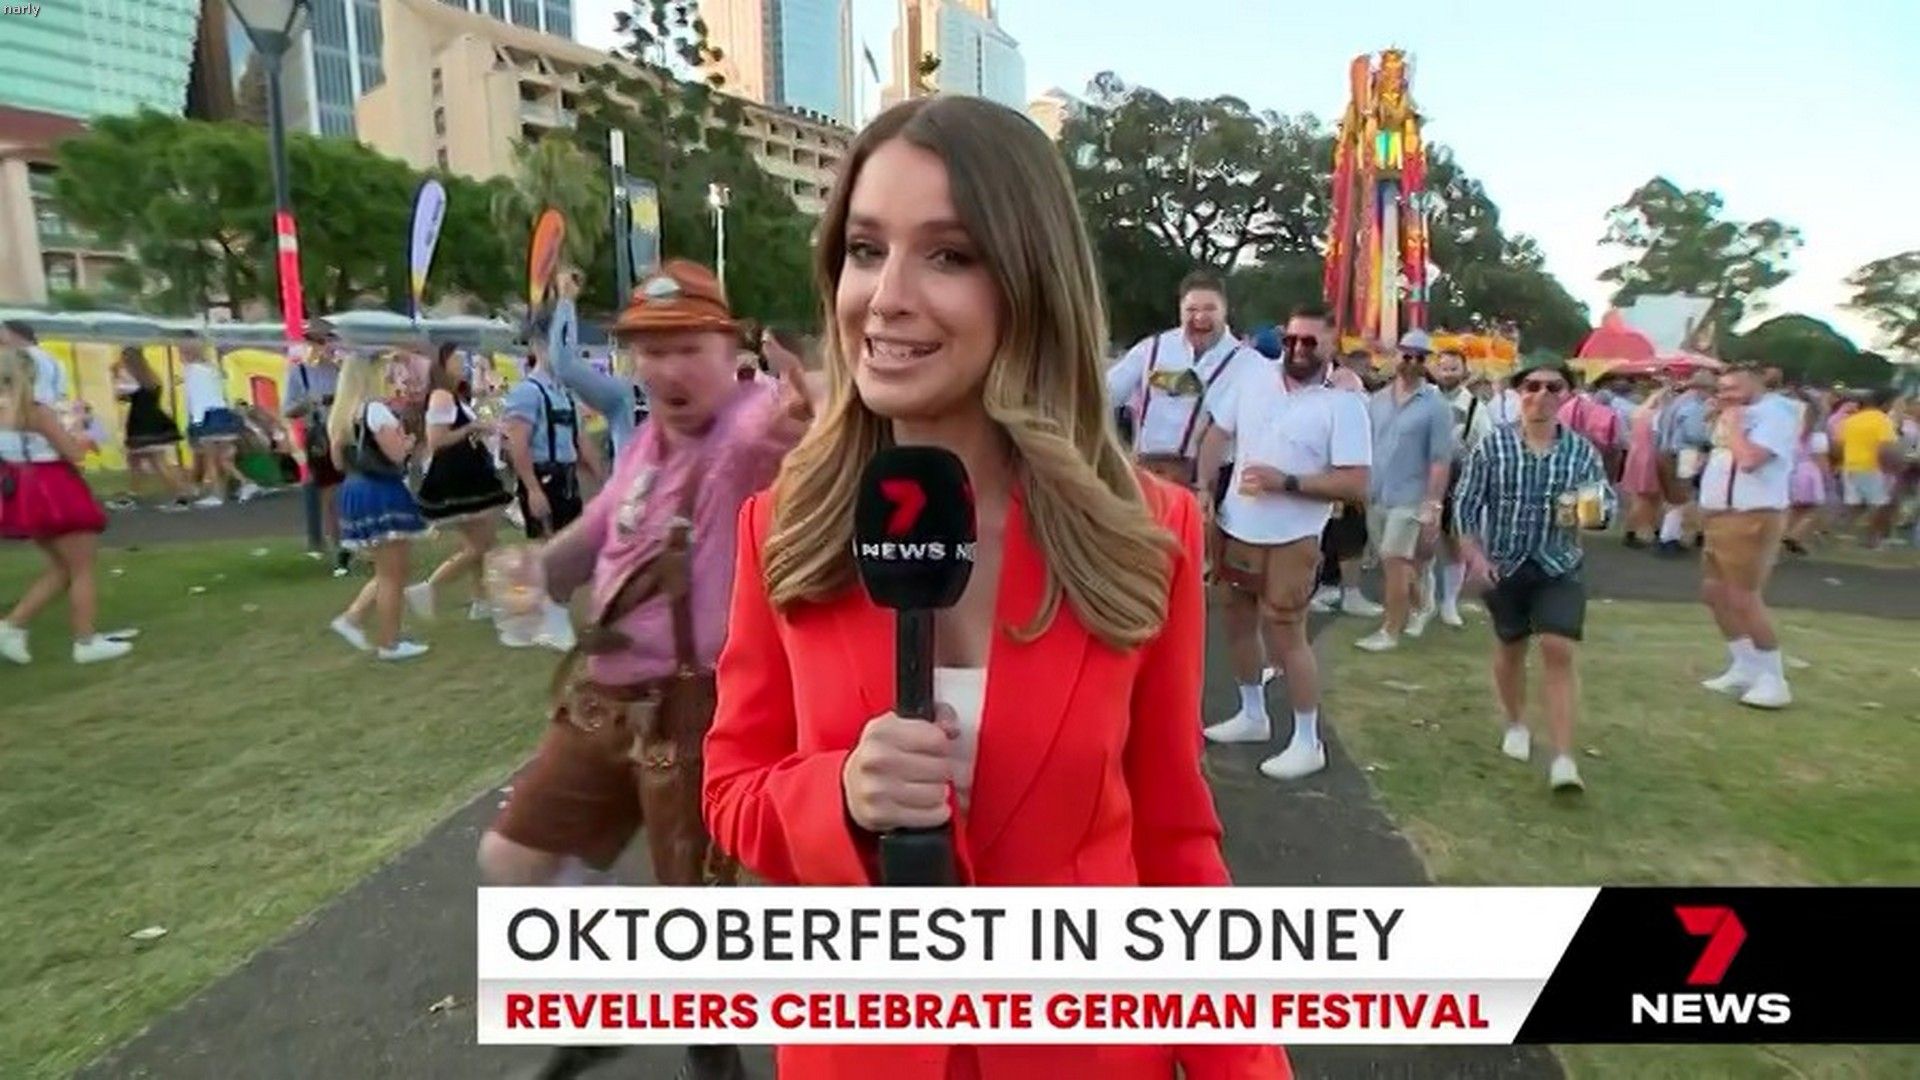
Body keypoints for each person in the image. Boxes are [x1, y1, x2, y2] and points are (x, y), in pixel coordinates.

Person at [702, 95, 1289, 1080]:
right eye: (864, 249)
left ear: (1030, 283)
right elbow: (731, 793)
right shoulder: (785, 526)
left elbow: (1175, 845)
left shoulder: (1148, 534)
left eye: (948, 255)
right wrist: (839, 796)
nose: (885, 297)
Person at [478, 259, 817, 1080]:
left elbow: (804, 433)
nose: (666, 370)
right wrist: (536, 574)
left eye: (687, 348)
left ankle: (713, 1054)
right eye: (651, 351)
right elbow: (602, 528)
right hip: (605, 700)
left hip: (694, 711)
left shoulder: (751, 430)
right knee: (512, 858)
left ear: (731, 348)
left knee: (695, 912)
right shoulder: (647, 440)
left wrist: (819, 411)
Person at [1196, 304, 1371, 781]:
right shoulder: (1253, 378)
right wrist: (1204, 488)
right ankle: (1252, 714)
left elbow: (1355, 484)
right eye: (1291, 339)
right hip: (1236, 525)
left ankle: (1308, 741)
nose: (1297, 349)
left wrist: (1285, 483)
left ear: (1332, 344)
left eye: (1310, 341)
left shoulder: (1344, 404)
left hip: (1293, 538)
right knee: (1235, 619)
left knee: (1286, 632)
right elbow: (1217, 433)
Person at [1452, 354, 1615, 792]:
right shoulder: (1493, 446)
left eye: (1553, 387)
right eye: (1532, 386)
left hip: (1559, 563)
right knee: (1510, 647)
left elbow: (1602, 506)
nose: (1542, 395)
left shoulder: (1581, 451)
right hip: (1505, 564)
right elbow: (1465, 504)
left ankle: (1563, 759)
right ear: (1518, 392)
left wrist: (1591, 512)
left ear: (1567, 395)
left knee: (1558, 648)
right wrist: (1474, 556)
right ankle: (1516, 722)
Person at [0, 347, 133, 665]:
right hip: (53, 484)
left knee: (62, 567)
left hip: (22, 486)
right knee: (82, 568)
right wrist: (81, 435)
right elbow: (73, 452)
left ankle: (12, 627)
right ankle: (84, 641)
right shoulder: (35, 411)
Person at [1695, 364, 1799, 709]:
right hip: (1720, 515)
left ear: (1756, 384)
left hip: (1752, 515)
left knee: (1743, 597)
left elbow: (1750, 460)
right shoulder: (1736, 413)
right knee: (1714, 593)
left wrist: (1735, 424)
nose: (1725, 395)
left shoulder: (1775, 414)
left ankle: (1773, 678)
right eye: (1721, 389)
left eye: (1733, 389)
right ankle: (1745, 665)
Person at [1105, 270, 1262, 488]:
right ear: (1180, 311)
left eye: (1210, 309)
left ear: (1225, 311)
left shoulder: (1249, 363)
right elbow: (1107, 392)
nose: (1200, 317)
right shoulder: (1153, 348)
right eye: (1192, 309)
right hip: (1147, 472)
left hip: (1208, 480)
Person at [325, 354, 430, 660]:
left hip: (355, 488)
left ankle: (354, 619)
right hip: (380, 489)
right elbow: (397, 455)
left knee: (389, 570)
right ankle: (389, 642)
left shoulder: (341, 414)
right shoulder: (374, 410)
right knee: (393, 574)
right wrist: (407, 442)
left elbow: (337, 462)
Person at [1354, 329, 1452, 652]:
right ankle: (1422, 605)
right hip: (1377, 494)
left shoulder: (1436, 405)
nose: (1411, 362)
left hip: (1411, 497)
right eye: (1406, 355)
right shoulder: (1377, 400)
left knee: (1395, 563)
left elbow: (1440, 460)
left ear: (1426, 362)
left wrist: (1432, 504)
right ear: (1396, 355)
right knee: (1394, 562)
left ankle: (1389, 631)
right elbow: (1367, 447)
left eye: (1418, 357)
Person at [409, 342, 513, 623]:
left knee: (481, 542)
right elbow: (437, 440)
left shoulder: (453, 395)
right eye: (456, 360)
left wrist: (479, 428)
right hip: (456, 476)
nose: (462, 365)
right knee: (481, 543)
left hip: (468, 471)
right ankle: (430, 586)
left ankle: (481, 599)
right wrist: (472, 427)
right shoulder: (442, 396)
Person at [1428, 351, 1490, 626]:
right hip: (1423, 479)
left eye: (1454, 368)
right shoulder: (1425, 399)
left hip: (1458, 480)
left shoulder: (1475, 406)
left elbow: (1485, 445)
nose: (1448, 373)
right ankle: (1425, 603)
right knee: (1422, 545)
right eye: (1443, 368)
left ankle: (1449, 603)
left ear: (1464, 372)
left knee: (1454, 543)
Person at [285, 322, 351, 574]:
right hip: (320, 436)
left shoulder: (340, 370)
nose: (322, 346)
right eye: (316, 341)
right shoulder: (298, 373)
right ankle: (339, 547)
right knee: (330, 495)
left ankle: (354, 541)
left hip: (343, 432)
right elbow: (288, 409)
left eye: (325, 341)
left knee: (350, 491)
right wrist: (309, 403)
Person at [112, 346, 196, 510]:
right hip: (156, 419)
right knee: (137, 460)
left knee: (155, 462)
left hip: (141, 422)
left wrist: (115, 375)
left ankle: (181, 495)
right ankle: (133, 495)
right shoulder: (151, 375)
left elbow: (119, 396)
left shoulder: (128, 375)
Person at [180, 337, 258, 506]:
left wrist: (196, 423)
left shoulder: (191, 370)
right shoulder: (211, 368)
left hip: (207, 417)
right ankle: (245, 483)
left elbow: (195, 399)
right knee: (224, 458)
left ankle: (218, 494)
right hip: (223, 415)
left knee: (212, 458)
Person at [1836, 388, 1898, 547]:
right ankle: (1872, 539)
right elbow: (1885, 448)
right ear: (1885, 403)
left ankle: (1844, 535)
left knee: (1854, 504)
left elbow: (1839, 446)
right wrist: (1891, 467)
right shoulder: (1883, 420)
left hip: (1849, 466)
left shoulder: (1851, 420)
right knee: (1879, 505)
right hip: (1872, 467)